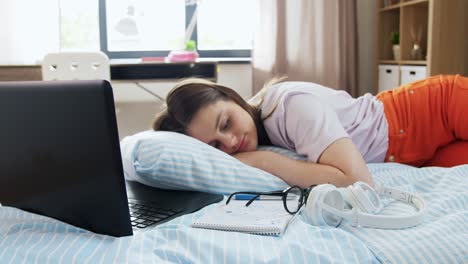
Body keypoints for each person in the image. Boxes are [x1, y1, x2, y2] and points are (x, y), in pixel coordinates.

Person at [152, 75, 468, 188]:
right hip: (418, 154)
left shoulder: (288, 105)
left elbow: (357, 181)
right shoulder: (260, 131)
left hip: (436, 108)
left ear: (233, 98)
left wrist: (260, 160)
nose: (232, 142)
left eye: (226, 124)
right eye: (216, 146)